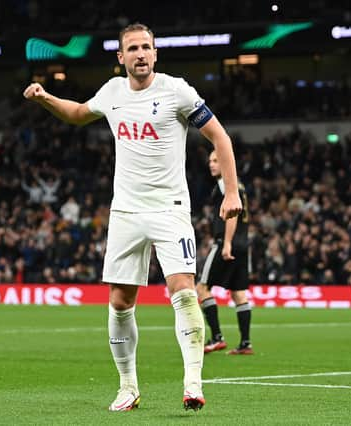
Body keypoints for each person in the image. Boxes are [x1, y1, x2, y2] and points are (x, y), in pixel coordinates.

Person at [23, 22, 242, 412]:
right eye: (133, 49)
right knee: (120, 301)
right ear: (121, 57)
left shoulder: (177, 90)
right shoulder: (112, 93)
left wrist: (230, 191)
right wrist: (44, 97)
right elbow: (76, 114)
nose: (141, 54)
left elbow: (220, 137)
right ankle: (128, 387)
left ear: (156, 53)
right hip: (125, 211)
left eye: (147, 47)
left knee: (184, 290)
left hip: (169, 209)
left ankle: (193, 382)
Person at [196, 150, 253, 355]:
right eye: (210, 160)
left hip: (226, 242)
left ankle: (216, 337)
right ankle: (246, 343)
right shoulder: (241, 186)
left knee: (202, 288)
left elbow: (232, 215)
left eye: (216, 161)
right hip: (243, 243)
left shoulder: (226, 183)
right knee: (238, 293)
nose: (211, 164)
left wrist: (226, 242)